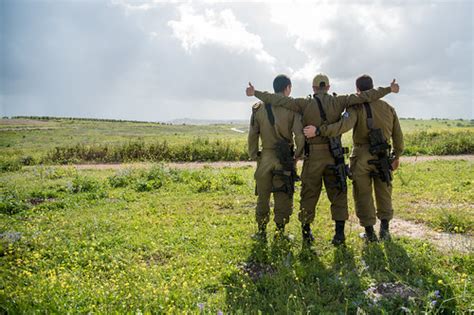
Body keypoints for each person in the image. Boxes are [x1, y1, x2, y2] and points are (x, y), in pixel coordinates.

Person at [247, 74, 399, 245]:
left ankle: (306, 235)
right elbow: (367, 95)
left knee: (309, 193)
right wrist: (388, 89)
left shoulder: (303, 103)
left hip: (312, 157)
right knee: (338, 194)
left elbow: (278, 100)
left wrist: (256, 93)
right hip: (335, 156)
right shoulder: (340, 101)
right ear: (328, 87)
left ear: (313, 88)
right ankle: (339, 236)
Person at [304, 75, 403, 241]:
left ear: (357, 90)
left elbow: (342, 126)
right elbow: (398, 135)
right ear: (372, 87)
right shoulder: (388, 108)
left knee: (363, 193)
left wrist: (320, 131)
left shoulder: (356, 108)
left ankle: (370, 233)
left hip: (362, 156)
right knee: (384, 191)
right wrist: (397, 155)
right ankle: (385, 230)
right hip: (384, 156)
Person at [247, 74, 305, 241]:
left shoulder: (258, 108)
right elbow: (299, 136)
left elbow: (252, 134)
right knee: (283, 194)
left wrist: (254, 155)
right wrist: (297, 154)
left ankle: (261, 232)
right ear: (287, 88)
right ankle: (280, 233)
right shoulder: (292, 108)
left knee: (263, 195)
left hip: (265, 156)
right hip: (284, 157)